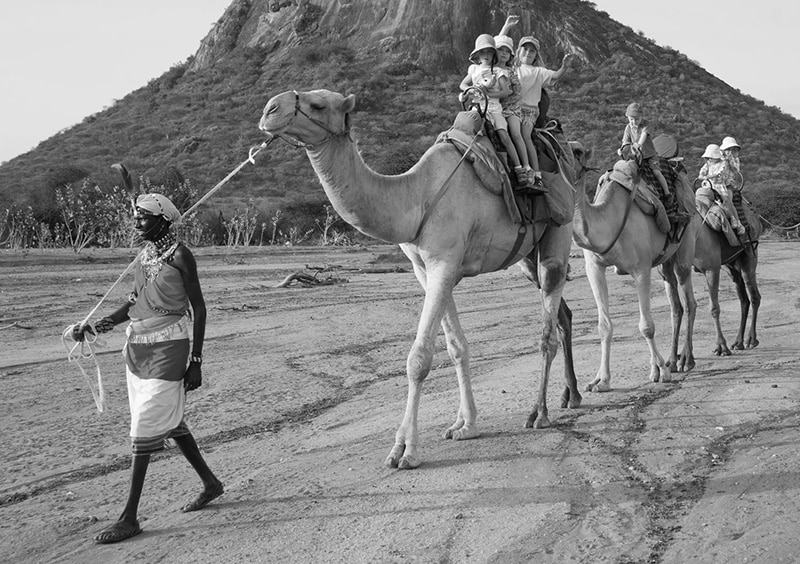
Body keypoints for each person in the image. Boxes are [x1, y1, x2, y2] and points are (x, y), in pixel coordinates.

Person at [72, 193, 224, 544]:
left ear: (163, 220)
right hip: (138, 349)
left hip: (170, 346)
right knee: (169, 421)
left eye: (143, 217)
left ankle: (129, 517)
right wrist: (100, 325)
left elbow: (199, 308)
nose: (136, 222)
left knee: (144, 427)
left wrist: (196, 360)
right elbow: (133, 301)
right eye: (136, 216)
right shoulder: (146, 255)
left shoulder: (181, 255)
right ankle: (211, 484)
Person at [459, 34, 533, 190]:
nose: (486, 55)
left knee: (504, 136)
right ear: (477, 55)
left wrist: (487, 95)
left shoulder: (499, 71)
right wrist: (468, 92)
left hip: (495, 109)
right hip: (477, 107)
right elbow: (463, 85)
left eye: (489, 52)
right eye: (482, 52)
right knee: (465, 127)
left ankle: (520, 168)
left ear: (493, 54)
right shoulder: (474, 69)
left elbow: (505, 92)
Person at [515, 35, 574, 191]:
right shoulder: (512, 69)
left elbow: (555, 76)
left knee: (525, 136)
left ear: (536, 56)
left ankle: (536, 174)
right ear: (519, 51)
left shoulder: (538, 71)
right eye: (525, 49)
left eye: (532, 51)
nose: (528, 52)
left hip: (529, 111)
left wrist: (564, 67)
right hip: (512, 110)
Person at [620, 102, 672, 200]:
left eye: (636, 119)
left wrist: (638, 144)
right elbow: (625, 141)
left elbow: (643, 136)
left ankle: (667, 192)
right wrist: (622, 149)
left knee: (656, 172)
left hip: (649, 155)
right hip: (637, 156)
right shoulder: (628, 128)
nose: (634, 122)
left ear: (641, 118)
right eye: (631, 119)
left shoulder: (645, 125)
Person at [698, 144, 745, 235]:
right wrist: (704, 176)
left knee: (726, 202)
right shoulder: (708, 164)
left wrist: (706, 176)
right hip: (708, 185)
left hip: (720, 185)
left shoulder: (724, 163)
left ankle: (734, 219)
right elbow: (701, 174)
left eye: (711, 157)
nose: (710, 159)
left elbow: (719, 173)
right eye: (708, 157)